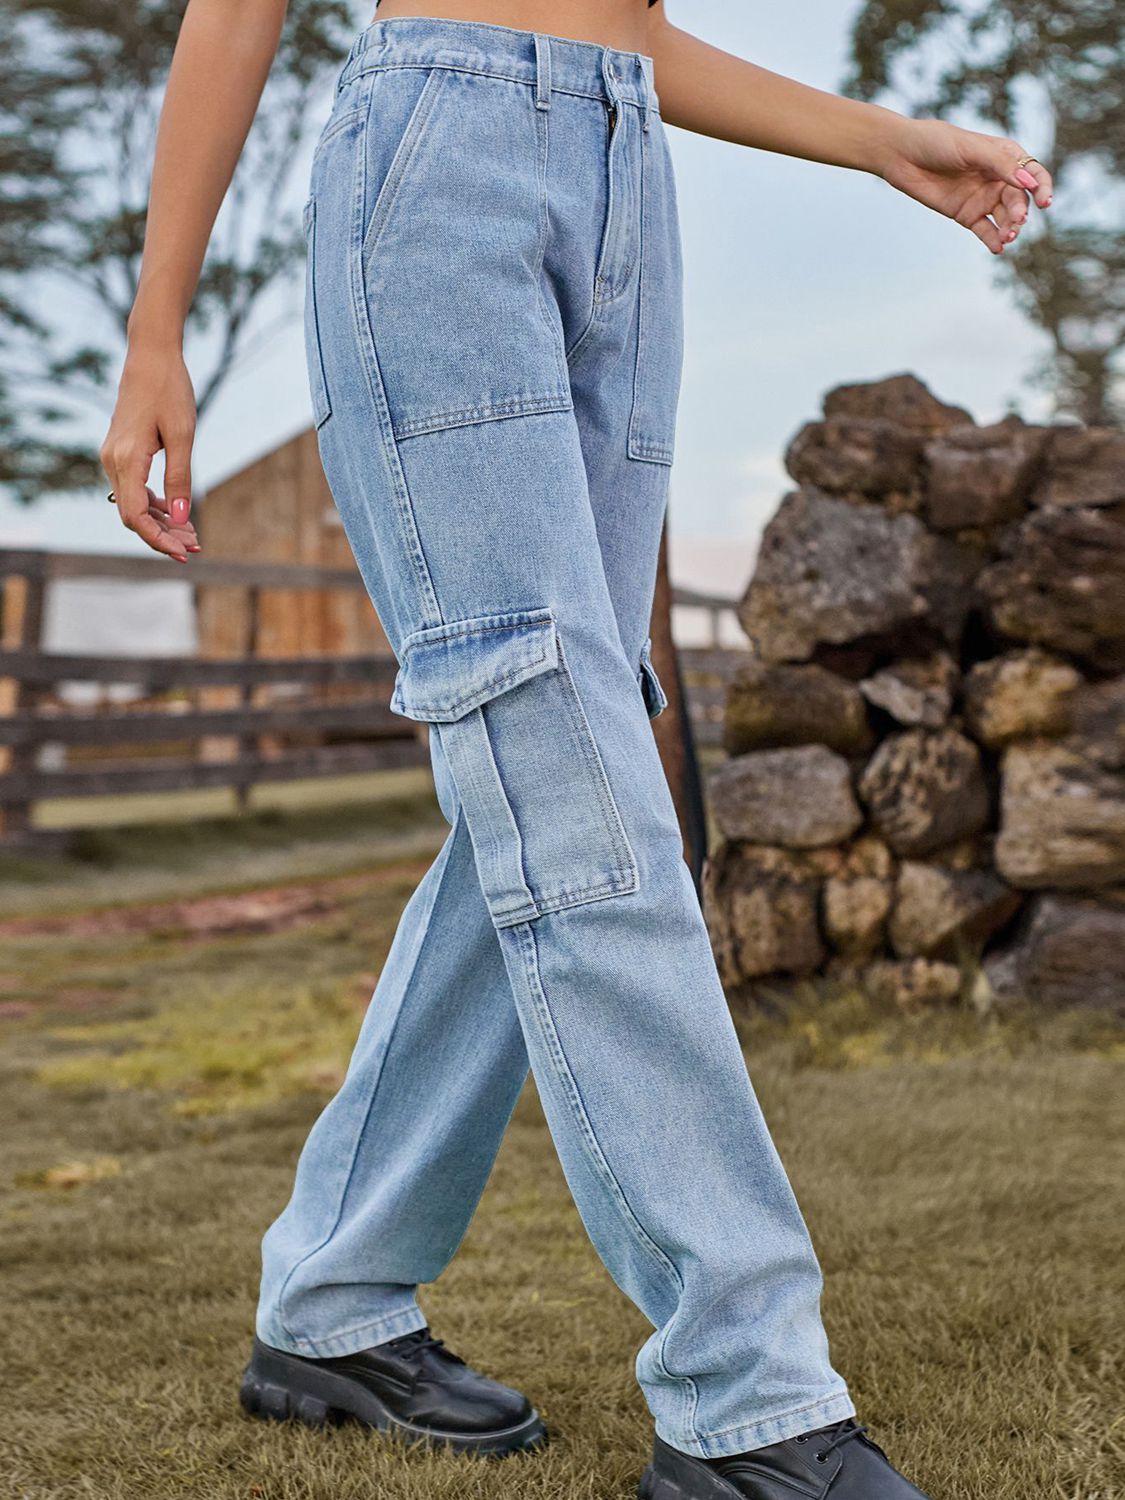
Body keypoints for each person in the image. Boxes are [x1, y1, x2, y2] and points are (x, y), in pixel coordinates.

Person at [100, 2, 1053, 1495]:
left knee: (551, 770)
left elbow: (633, 30)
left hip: (621, 164)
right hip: (438, 163)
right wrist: (156, 330)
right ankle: (747, 1399)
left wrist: (879, 143)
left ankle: (333, 1301)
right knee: (563, 754)